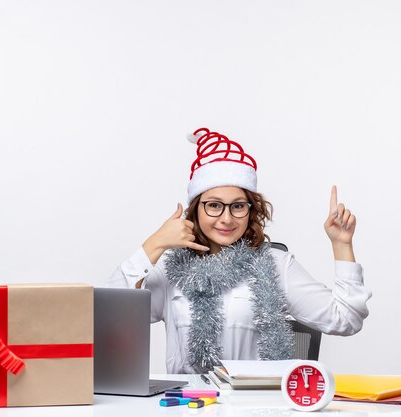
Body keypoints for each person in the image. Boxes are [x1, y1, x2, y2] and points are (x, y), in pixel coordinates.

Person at [107, 127, 372, 374]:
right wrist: (154, 244)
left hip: (257, 403)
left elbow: (346, 319)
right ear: (196, 210)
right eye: (214, 205)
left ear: (250, 210)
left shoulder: (277, 265)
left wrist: (342, 244)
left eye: (237, 206)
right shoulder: (171, 269)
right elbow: (110, 318)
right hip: (189, 404)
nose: (226, 218)